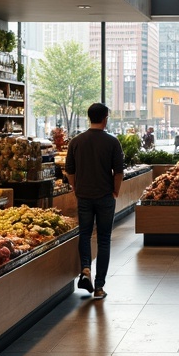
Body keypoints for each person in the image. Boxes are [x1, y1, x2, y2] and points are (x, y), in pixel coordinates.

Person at [64, 101, 124, 301]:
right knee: (104, 239)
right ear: (105, 118)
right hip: (105, 196)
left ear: (89, 117)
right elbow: (119, 172)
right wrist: (115, 191)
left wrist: (75, 187)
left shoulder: (76, 141)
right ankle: (99, 287)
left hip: (84, 196)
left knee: (85, 234)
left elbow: (69, 171)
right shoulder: (112, 142)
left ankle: (86, 269)